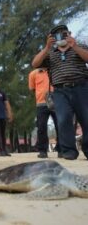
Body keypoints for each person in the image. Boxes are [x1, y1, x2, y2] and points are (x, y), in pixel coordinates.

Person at [32, 24, 88, 160]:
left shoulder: (79, 46)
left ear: (69, 33)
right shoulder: (50, 53)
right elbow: (35, 63)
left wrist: (74, 46)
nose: (60, 36)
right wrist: (46, 47)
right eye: (56, 34)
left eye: (63, 33)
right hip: (60, 90)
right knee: (63, 119)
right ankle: (68, 151)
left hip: (81, 87)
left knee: (86, 119)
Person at [28, 65, 61, 158]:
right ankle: (42, 151)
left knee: (60, 125)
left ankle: (62, 149)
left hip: (57, 102)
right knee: (41, 127)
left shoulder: (56, 70)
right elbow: (32, 89)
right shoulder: (33, 74)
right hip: (41, 103)